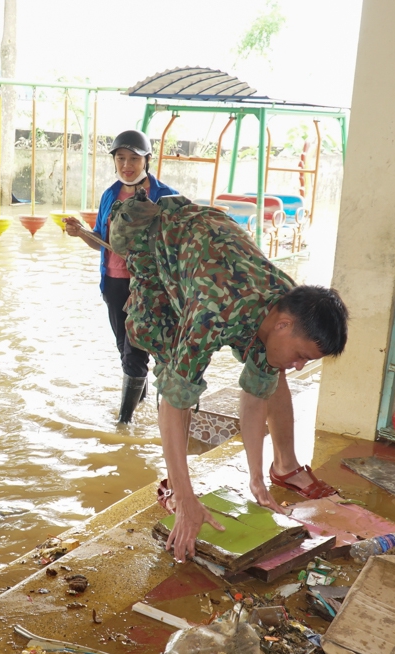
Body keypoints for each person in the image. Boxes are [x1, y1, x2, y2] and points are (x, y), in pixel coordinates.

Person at [109, 193, 349, 562]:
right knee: (175, 368)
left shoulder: (284, 300)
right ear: (283, 325)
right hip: (160, 249)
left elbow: (255, 396)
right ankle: (176, 488)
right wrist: (189, 499)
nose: (300, 365)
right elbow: (177, 399)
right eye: (302, 356)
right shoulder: (212, 310)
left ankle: (278, 468)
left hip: (215, 247)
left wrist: (256, 476)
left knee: (270, 372)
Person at [64, 130, 176, 424]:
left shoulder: (166, 197)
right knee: (123, 345)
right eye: (121, 158)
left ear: (147, 161)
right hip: (114, 282)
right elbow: (101, 239)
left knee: (134, 350)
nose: (127, 165)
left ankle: (124, 422)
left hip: (150, 286)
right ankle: (139, 398)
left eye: (134, 159)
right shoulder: (110, 195)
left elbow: (178, 246)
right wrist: (81, 233)